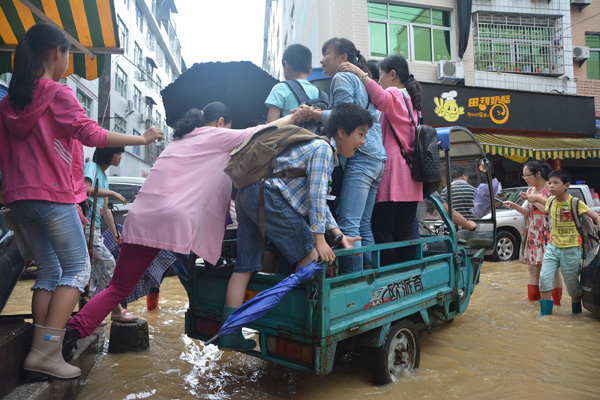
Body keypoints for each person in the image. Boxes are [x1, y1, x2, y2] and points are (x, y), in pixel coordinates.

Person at [64, 102, 308, 351]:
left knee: (117, 288)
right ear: (221, 122)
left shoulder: (179, 140)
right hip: (172, 223)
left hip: (140, 218)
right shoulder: (214, 134)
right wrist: (294, 117)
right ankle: (220, 325)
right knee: (196, 272)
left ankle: (74, 330)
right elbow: (260, 131)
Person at [0, 24, 162, 380]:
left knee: (50, 271)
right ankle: (46, 352)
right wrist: (143, 137)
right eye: (69, 53)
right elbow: (91, 132)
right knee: (78, 269)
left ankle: (40, 349)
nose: (68, 60)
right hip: (52, 196)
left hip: (19, 200)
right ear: (57, 53)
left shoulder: (8, 103)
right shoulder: (56, 94)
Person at [221, 102, 368, 351]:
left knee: (244, 267)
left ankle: (228, 335)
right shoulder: (323, 150)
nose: (363, 142)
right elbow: (316, 200)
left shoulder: (316, 146)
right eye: (361, 134)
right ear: (342, 132)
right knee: (312, 258)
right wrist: (319, 241)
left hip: (247, 192)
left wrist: (338, 234)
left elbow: (318, 199)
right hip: (265, 196)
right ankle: (288, 329)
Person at [305, 37, 387, 273]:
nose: (322, 59)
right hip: (377, 157)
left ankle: (355, 281)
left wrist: (312, 114)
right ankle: (372, 275)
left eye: (326, 53)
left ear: (343, 58)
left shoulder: (342, 77)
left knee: (350, 225)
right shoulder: (362, 79)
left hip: (361, 155)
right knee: (363, 224)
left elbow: (344, 118)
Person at [338, 54, 424, 265]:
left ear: (392, 74)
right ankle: (406, 275)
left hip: (394, 177)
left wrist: (360, 73)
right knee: (404, 233)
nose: (378, 81)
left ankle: (389, 276)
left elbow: (380, 98)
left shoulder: (395, 93)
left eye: (381, 75)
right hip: (412, 181)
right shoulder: (413, 101)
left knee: (383, 231)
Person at [84, 147, 138, 322]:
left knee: (92, 274)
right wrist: (113, 193)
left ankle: (89, 313)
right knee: (108, 262)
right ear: (108, 153)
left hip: (96, 229)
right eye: (119, 153)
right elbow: (86, 189)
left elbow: (106, 208)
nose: (121, 157)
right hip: (86, 226)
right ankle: (117, 309)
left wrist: (115, 233)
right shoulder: (91, 166)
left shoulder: (104, 176)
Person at [538, 170, 600, 316]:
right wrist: (529, 200)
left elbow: (596, 217)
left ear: (566, 185)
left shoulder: (575, 202)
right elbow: (545, 209)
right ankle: (545, 316)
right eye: (550, 183)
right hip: (553, 247)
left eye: (555, 183)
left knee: (572, 287)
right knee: (544, 279)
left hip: (572, 249)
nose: (551, 186)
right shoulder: (551, 201)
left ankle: (576, 315)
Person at [503, 161, 563, 304]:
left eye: (527, 175)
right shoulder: (530, 191)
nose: (525, 178)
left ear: (538, 174)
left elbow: (548, 210)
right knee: (533, 270)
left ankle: (557, 304)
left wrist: (534, 199)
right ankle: (534, 303)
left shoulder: (551, 188)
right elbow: (529, 213)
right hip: (534, 234)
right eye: (523, 176)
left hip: (549, 233)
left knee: (553, 271)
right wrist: (515, 206)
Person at [265, 44, 321, 122]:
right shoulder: (319, 92)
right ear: (310, 70)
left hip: (289, 134)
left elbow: (271, 126)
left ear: (286, 65)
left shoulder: (280, 88)